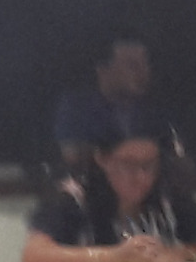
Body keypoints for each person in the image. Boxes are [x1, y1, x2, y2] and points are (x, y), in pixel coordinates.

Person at [22, 133, 196, 262]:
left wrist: (182, 254)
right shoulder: (74, 197)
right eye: (128, 165)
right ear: (103, 159)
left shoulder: (166, 195)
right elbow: (34, 256)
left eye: (149, 165)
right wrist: (114, 256)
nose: (141, 177)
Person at [52, 37, 181, 166]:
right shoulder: (77, 109)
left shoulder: (153, 112)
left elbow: (173, 158)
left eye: (146, 64)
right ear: (103, 70)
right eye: (133, 65)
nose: (144, 72)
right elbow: (74, 160)